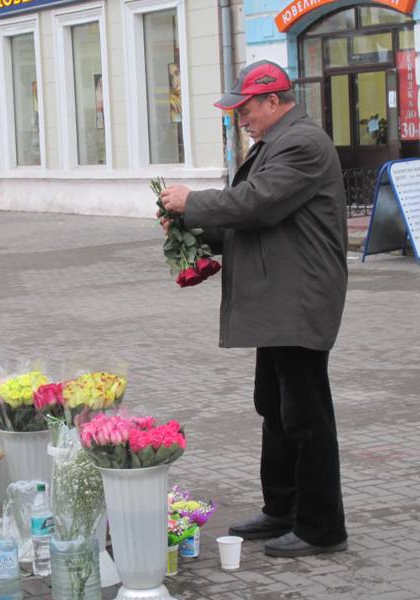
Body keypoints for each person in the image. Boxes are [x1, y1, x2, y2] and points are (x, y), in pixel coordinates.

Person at [159, 60, 348, 558]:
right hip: (279, 297)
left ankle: (321, 527)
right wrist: (193, 230)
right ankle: (282, 508)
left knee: (306, 415)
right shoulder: (274, 144)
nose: (240, 118)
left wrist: (193, 202)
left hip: (300, 299)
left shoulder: (302, 143)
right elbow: (254, 220)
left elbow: (257, 203)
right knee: (274, 406)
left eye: (245, 109)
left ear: (273, 101)